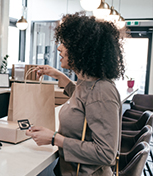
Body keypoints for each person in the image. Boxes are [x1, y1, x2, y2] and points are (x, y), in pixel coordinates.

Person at [26, 12, 125, 176]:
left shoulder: (102, 91)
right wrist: (58, 75)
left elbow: (106, 153)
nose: (59, 47)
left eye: (64, 43)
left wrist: (54, 138)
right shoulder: (89, 83)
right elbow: (82, 99)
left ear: (82, 49)